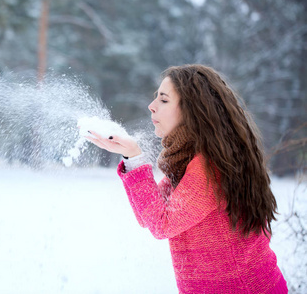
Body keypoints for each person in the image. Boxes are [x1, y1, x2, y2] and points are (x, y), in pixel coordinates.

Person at [86, 64, 288, 294]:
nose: (151, 107)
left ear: (192, 109)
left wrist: (134, 156)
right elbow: (150, 216)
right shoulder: (193, 159)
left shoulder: (209, 167)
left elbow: (162, 224)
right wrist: (131, 158)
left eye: (163, 100)